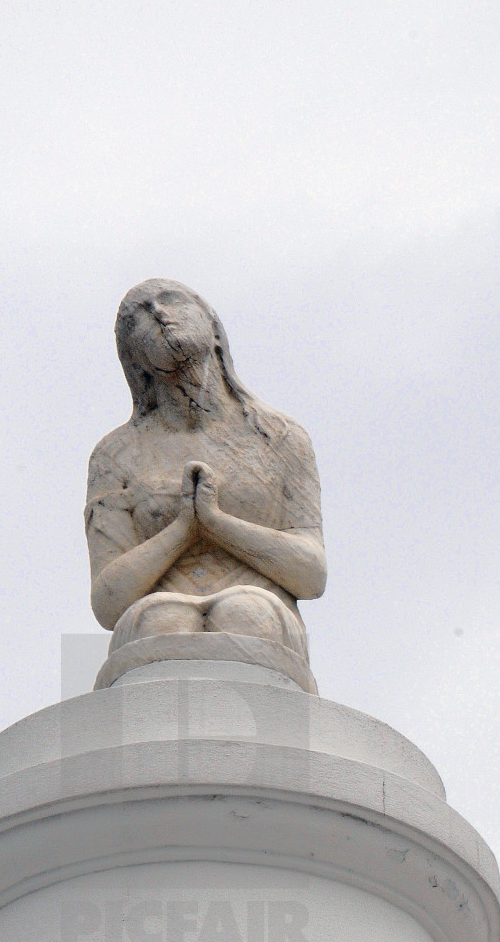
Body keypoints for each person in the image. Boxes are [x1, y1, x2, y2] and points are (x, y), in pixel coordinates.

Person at [85, 280, 326, 683]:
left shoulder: (279, 436)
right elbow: (109, 601)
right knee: (162, 621)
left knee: (247, 614)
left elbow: (311, 573)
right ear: (135, 360)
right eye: (136, 318)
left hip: (263, 610)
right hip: (151, 615)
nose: (158, 312)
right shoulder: (115, 455)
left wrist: (215, 523)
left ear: (213, 328)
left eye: (170, 299)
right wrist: (183, 529)